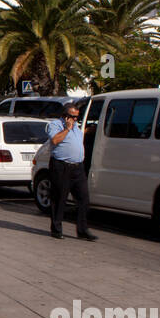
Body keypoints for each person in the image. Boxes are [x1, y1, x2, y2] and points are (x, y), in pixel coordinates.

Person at [45, 103, 98, 241]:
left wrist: (87, 130)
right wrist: (67, 129)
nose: (75, 120)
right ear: (65, 116)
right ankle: (56, 229)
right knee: (60, 198)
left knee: (83, 199)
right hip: (62, 166)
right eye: (73, 117)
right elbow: (55, 140)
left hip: (77, 168)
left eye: (77, 117)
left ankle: (82, 230)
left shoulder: (76, 127)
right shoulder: (56, 125)